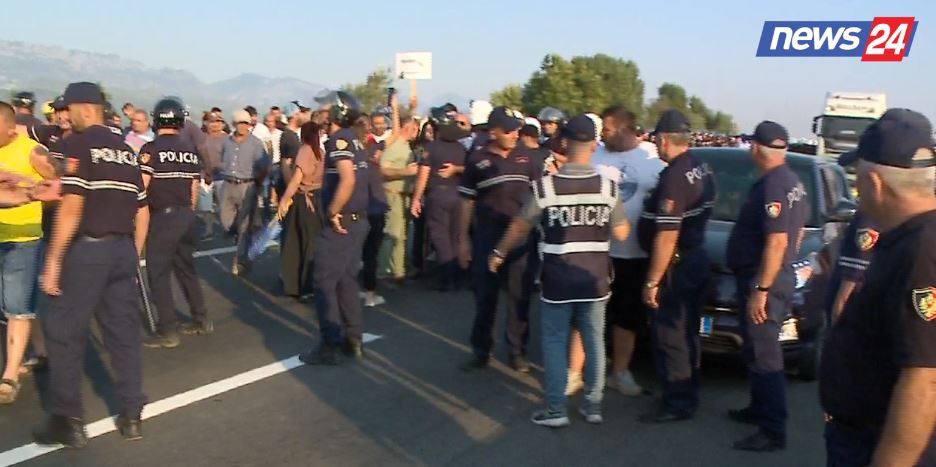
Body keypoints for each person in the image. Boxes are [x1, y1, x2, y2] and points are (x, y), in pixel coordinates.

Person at [490, 114, 629, 427]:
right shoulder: (608, 188)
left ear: (564, 143)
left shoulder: (545, 187)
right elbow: (622, 233)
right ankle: (593, 406)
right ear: (594, 145)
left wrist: (499, 252)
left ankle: (556, 409)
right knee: (594, 340)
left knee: (554, 341)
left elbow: (520, 226)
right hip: (595, 278)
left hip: (557, 277)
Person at [33, 82, 149, 447]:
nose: (63, 116)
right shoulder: (126, 150)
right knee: (123, 333)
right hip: (122, 249)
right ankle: (132, 415)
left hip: (89, 251)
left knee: (63, 331)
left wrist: (53, 260)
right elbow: (141, 208)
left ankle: (69, 420)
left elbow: (72, 204)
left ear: (87, 108)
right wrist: (133, 253)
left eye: (68, 109)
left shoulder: (79, 144)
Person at [819, 108, 936, 466]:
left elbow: (924, 382)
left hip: (874, 440)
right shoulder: (908, 238)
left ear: (874, 184)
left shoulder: (922, 251)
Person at [725, 120, 807, 452]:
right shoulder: (790, 180)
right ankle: (759, 408)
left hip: (765, 280)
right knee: (755, 348)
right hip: (773, 276)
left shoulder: (774, 185)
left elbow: (776, 242)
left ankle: (772, 429)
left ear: (756, 148)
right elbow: (796, 234)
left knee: (765, 354)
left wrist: (761, 289)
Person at [636, 109, 716, 423]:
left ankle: (676, 402)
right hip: (696, 257)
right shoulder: (701, 166)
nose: (655, 144)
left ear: (666, 139)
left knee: (670, 334)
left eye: (656, 138)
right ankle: (687, 390)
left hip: (677, 264)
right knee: (689, 331)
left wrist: (652, 281)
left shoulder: (674, 176)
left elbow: (667, 235)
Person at [588, 105, 664, 396]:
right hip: (597, 251)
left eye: (606, 129)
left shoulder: (652, 158)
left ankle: (620, 372)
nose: (602, 135)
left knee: (627, 316)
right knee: (592, 313)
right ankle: (583, 369)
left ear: (622, 128)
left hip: (635, 255)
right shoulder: (595, 156)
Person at [458, 106, 540, 373]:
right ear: (492, 132)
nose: (514, 134)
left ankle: (517, 352)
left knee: (519, 298)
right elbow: (466, 203)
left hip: (521, 241)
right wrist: (462, 241)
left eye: (517, 129)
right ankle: (481, 350)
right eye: (508, 130)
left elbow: (540, 198)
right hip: (487, 238)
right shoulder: (477, 161)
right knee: (485, 298)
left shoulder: (528, 159)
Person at [299, 91, 371, 366]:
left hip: (343, 222)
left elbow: (348, 180)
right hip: (357, 221)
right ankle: (353, 339)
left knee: (324, 281)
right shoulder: (355, 140)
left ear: (339, 112)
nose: (322, 113)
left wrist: (332, 211)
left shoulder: (340, 140)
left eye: (327, 109)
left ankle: (329, 343)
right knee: (346, 281)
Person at [138, 98, 212, 349]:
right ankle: (200, 318)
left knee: (158, 273)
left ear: (156, 120)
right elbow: (193, 189)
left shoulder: (151, 149)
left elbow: (142, 187)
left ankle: (167, 330)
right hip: (186, 215)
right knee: (186, 269)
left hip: (163, 217)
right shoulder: (189, 150)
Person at [0, 102, 59, 405]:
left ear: (11, 126)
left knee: (16, 307)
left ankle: (9, 375)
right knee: (17, 302)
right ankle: (43, 350)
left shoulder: (31, 151)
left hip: (22, 239)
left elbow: (58, 185)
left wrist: (28, 191)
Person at [411, 107, 469, 290]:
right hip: (458, 194)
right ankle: (456, 276)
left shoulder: (431, 148)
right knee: (455, 236)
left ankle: (447, 275)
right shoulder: (462, 148)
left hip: (438, 194)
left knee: (440, 236)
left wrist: (416, 198)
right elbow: (470, 170)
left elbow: (423, 175)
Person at [276, 120, 326, 301]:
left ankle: (299, 284)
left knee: (297, 242)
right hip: (318, 198)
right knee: (313, 241)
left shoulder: (305, 151)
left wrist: (284, 200)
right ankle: (313, 282)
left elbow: (297, 179)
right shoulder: (321, 153)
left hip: (304, 200)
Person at [219, 109, 270, 275]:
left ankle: (240, 259)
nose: (243, 127)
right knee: (225, 219)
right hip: (228, 184)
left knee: (245, 224)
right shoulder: (227, 142)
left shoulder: (255, 143)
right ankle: (236, 234)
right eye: (240, 123)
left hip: (247, 184)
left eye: (246, 123)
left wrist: (257, 183)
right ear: (234, 124)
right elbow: (222, 159)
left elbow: (264, 166)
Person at [379, 94, 419, 283]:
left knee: (401, 236)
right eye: (415, 128)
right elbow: (383, 170)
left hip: (404, 196)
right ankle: (383, 270)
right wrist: (404, 171)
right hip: (393, 195)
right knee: (392, 235)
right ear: (407, 128)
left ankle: (399, 271)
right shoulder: (395, 145)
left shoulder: (407, 146)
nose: (417, 131)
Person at [361, 125, 389, 307]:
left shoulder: (352, 161)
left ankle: (359, 290)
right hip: (375, 210)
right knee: (371, 253)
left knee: (360, 253)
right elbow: (393, 136)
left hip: (359, 210)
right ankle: (370, 294)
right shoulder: (373, 162)